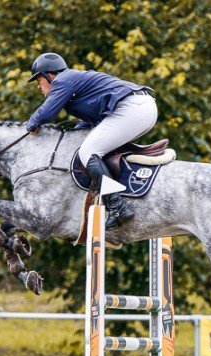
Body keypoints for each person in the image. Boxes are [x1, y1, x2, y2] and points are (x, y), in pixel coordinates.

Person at [26, 52, 158, 230]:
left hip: (133, 108)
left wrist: (31, 123)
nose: (38, 87)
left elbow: (47, 113)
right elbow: (92, 121)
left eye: (38, 81)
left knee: (88, 151)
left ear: (49, 76)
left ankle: (118, 206)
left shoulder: (62, 80)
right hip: (142, 108)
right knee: (97, 148)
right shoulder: (72, 82)